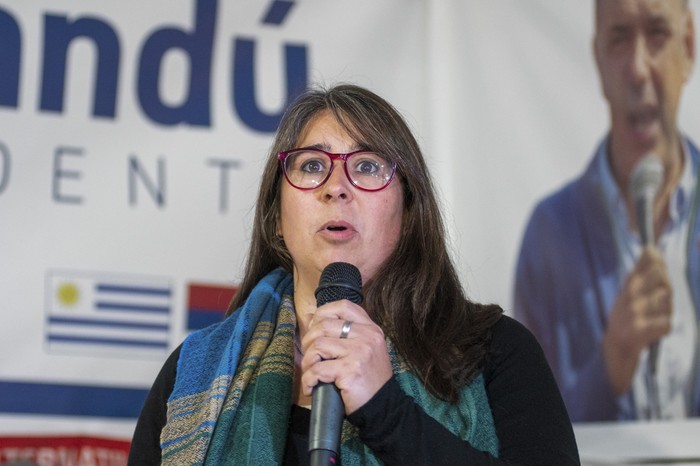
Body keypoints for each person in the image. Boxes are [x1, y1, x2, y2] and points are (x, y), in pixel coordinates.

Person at [128, 84, 579, 464]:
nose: (336, 187)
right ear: (275, 220)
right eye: (311, 166)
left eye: (366, 166)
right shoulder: (194, 371)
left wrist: (385, 409)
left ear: (409, 210)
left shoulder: (496, 352)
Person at [514, 0, 699, 422]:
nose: (637, 68)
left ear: (688, 47)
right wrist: (613, 359)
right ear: (599, 61)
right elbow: (531, 429)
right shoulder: (550, 235)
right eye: (619, 39)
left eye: (657, 33)